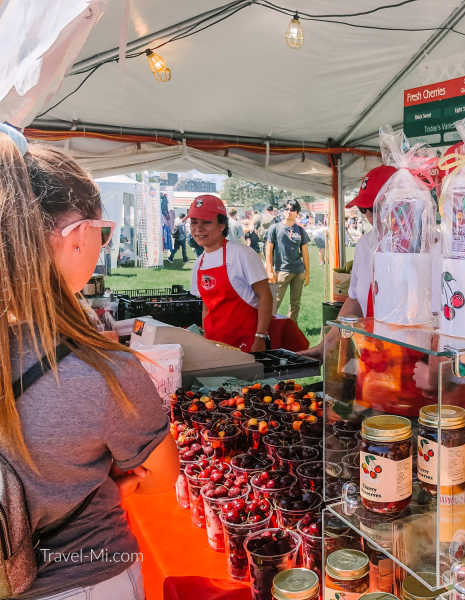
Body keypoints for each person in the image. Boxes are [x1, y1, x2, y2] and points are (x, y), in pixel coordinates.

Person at [0, 124, 178, 599]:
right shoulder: (103, 371)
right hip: (89, 579)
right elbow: (162, 479)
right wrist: (114, 481)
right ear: (76, 237)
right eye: (102, 232)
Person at [301, 165, 396, 357]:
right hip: (372, 356)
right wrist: (325, 345)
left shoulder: (429, 249)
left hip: (409, 362)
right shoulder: (365, 245)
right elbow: (354, 301)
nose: (368, 216)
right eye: (363, 210)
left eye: (374, 208)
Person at [189, 194, 273, 352]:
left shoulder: (241, 254)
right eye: (194, 222)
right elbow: (206, 308)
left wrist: (260, 336)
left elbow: (265, 296)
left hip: (246, 342)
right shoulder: (199, 263)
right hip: (215, 345)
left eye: (206, 222)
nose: (198, 228)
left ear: (222, 225)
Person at [265, 199, 310, 322]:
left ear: (297, 213)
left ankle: (291, 329)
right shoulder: (275, 228)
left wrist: (307, 272)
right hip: (282, 271)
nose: (289, 212)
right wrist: (269, 269)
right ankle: (267, 330)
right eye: (287, 209)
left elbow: (305, 253)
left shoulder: (300, 230)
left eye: (292, 210)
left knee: (295, 304)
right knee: (274, 303)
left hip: (298, 271)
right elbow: (268, 249)